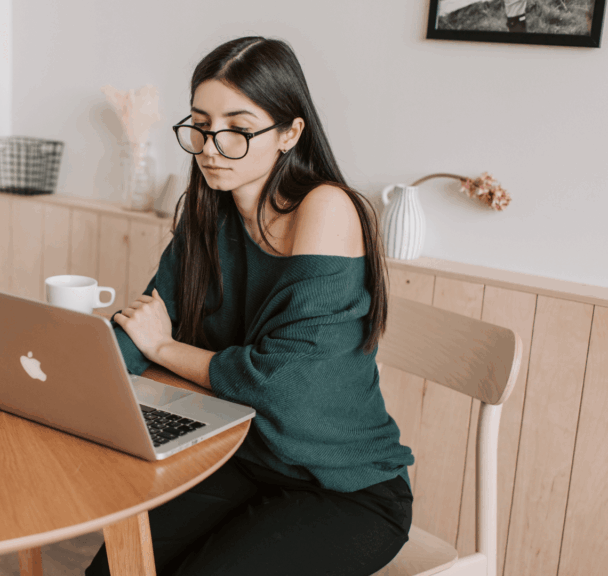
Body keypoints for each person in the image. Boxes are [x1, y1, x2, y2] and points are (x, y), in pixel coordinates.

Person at [86, 37, 415, 576]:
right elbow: (142, 325)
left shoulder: (326, 207)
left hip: (341, 484)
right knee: (113, 571)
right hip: (239, 456)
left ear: (290, 132)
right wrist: (76, 374)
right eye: (200, 124)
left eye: (239, 129)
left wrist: (166, 348)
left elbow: (279, 381)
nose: (212, 146)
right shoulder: (205, 214)